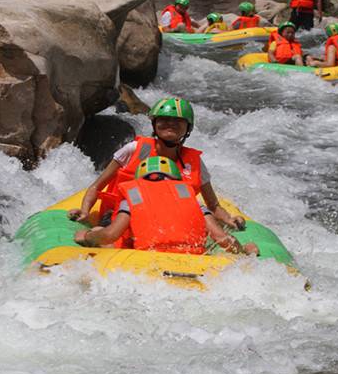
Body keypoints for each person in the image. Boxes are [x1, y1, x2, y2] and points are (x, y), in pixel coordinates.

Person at [67, 97, 244, 232]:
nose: (170, 124)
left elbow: (213, 205)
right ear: (154, 124)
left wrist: (229, 220)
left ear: (187, 128)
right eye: (164, 120)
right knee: (104, 232)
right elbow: (96, 186)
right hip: (122, 214)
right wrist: (85, 211)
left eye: (177, 121)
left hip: (168, 219)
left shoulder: (195, 162)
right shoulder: (134, 149)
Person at [74, 156, 258, 256]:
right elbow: (222, 238)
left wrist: (87, 236)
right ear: (176, 180)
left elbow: (109, 235)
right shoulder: (192, 201)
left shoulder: (132, 198)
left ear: (140, 179)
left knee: (101, 231)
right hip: (191, 261)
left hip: (146, 261)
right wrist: (244, 251)